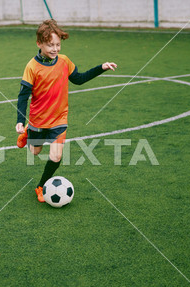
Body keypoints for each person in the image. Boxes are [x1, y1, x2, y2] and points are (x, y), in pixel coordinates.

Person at [15, 19, 117, 203]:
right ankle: (29, 133)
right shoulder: (32, 67)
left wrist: (101, 68)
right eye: (50, 45)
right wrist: (20, 120)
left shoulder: (64, 61)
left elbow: (78, 79)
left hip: (59, 119)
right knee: (35, 152)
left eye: (57, 44)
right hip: (38, 119)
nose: (55, 49)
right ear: (39, 43)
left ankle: (41, 186)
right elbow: (23, 96)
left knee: (56, 156)